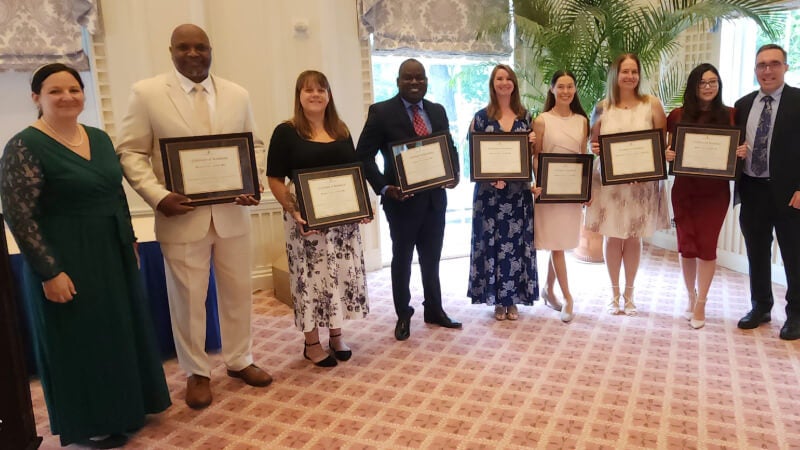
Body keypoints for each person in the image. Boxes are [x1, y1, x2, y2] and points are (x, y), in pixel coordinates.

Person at [0, 63, 170, 448]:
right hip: (64, 255)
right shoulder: (24, 145)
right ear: (36, 98)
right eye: (55, 91)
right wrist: (48, 272)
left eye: (74, 89)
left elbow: (114, 193)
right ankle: (91, 421)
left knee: (116, 329)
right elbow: (18, 215)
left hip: (110, 251)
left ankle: (128, 407)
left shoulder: (99, 137)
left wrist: (128, 241)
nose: (67, 97)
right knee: (78, 337)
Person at [116, 24, 272, 409]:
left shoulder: (237, 94)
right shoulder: (147, 93)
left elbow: (254, 144)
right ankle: (197, 371)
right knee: (188, 299)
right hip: (180, 216)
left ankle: (240, 359)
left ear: (210, 49)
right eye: (183, 47)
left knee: (239, 293)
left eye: (200, 46)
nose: (193, 53)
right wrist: (157, 195)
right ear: (171, 51)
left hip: (233, 215)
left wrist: (253, 181)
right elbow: (131, 153)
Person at [267, 70, 370, 367]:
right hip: (306, 221)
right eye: (308, 90)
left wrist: (364, 206)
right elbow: (274, 178)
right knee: (310, 279)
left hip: (342, 221)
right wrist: (292, 209)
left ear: (329, 95)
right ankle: (311, 342)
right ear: (298, 95)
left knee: (338, 274)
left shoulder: (340, 129)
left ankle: (337, 335)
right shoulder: (286, 131)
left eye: (321, 89)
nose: (315, 95)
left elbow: (354, 171)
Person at [356, 58, 462, 341]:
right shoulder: (381, 112)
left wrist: (455, 173)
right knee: (402, 259)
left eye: (420, 78)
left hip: (435, 200)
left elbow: (448, 145)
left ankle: (434, 309)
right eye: (408, 78)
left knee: (432, 258)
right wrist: (384, 187)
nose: (415, 83)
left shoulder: (437, 111)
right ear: (398, 81)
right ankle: (403, 313)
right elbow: (363, 156)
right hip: (401, 202)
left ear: (426, 80)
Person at [585, 53, 670, 315]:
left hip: (641, 184)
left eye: (634, 71)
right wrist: (596, 147)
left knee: (633, 237)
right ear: (615, 74)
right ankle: (613, 294)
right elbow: (593, 143)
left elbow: (661, 141)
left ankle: (630, 294)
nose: (630, 76)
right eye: (625, 71)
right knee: (613, 236)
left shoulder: (652, 104)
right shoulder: (602, 107)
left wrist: (645, 169)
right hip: (611, 185)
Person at [664, 63, 747, 329]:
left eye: (713, 82)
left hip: (714, 193)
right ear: (693, 86)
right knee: (686, 246)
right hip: (684, 190)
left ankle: (702, 303)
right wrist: (666, 154)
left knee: (707, 247)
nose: (708, 87)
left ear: (719, 85)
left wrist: (740, 152)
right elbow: (666, 147)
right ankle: (690, 297)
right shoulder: (677, 115)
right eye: (702, 82)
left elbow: (738, 150)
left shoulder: (731, 115)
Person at [733, 44, 800, 340]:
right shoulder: (743, 104)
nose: (767, 70)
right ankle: (760, 306)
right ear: (755, 69)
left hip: (790, 194)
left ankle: (796, 315)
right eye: (761, 65)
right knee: (756, 252)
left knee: (794, 255)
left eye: (774, 64)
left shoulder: (799, 101)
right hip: (753, 188)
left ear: (785, 67)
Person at [467, 64, 539, 321]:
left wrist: (536, 174)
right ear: (492, 83)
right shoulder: (480, 117)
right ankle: (497, 300)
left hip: (518, 195)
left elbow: (532, 157)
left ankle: (513, 300)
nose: (504, 82)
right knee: (492, 244)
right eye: (499, 78)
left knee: (516, 247)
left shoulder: (526, 117)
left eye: (508, 78)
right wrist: (490, 178)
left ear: (514, 84)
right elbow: (474, 159)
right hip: (489, 196)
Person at [531, 70, 589, 323]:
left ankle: (548, 289)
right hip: (549, 192)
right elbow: (535, 156)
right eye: (561, 87)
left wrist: (586, 190)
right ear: (552, 89)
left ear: (574, 90)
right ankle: (568, 298)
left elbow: (584, 156)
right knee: (556, 245)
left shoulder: (582, 121)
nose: (566, 91)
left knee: (562, 243)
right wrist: (541, 182)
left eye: (570, 87)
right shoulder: (542, 120)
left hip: (572, 192)